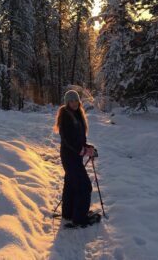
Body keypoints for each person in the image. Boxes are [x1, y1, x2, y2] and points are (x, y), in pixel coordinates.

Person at [53, 90, 95, 228]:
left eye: (76, 100)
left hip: (73, 157)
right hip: (70, 157)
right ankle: (80, 218)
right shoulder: (66, 116)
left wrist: (88, 147)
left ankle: (68, 213)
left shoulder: (76, 115)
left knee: (71, 183)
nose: (74, 103)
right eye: (71, 101)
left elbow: (77, 139)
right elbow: (69, 140)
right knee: (84, 186)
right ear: (67, 102)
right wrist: (83, 150)